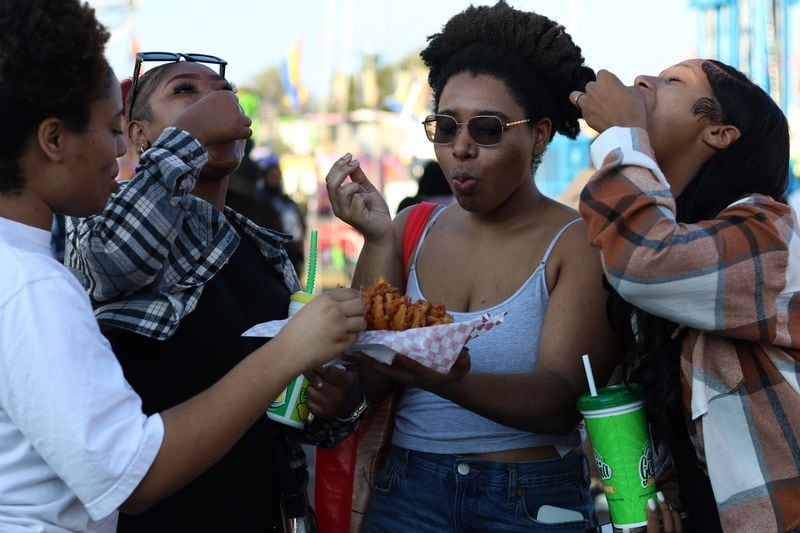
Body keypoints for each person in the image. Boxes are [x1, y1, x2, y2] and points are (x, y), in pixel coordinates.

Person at [0, 1, 365, 531]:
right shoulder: (81, 241)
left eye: (221, 92)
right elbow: (112, 259)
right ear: (143, 134)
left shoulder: (262, 247)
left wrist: (333, 403)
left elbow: (287, 414)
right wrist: (188, 139)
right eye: (184, 93)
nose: (213, 104)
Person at [325, 2, 620, 530]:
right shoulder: (411, 225)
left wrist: (448, 381)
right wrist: (374, 237)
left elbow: (560, 401)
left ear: (540, 135)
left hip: (528, 500)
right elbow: (372, 368)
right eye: (444, 126)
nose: (460, 148)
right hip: (406, 491)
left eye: (487, 129)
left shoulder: (576, 241)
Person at [574, 59, 800, 531]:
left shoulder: (769, 235)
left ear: (720, 133)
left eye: (673, 80)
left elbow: (645, 260)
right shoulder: (682, 246)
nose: (642, 82)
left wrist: (622, 130)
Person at [255, 154, 307, 273]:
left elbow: (299, 224)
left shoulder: (288, 201)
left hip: (292, 251)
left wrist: (300, 243)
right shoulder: (261, 203)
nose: (275, 178)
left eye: (277, 175)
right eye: (272, 175)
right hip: (274, 252)